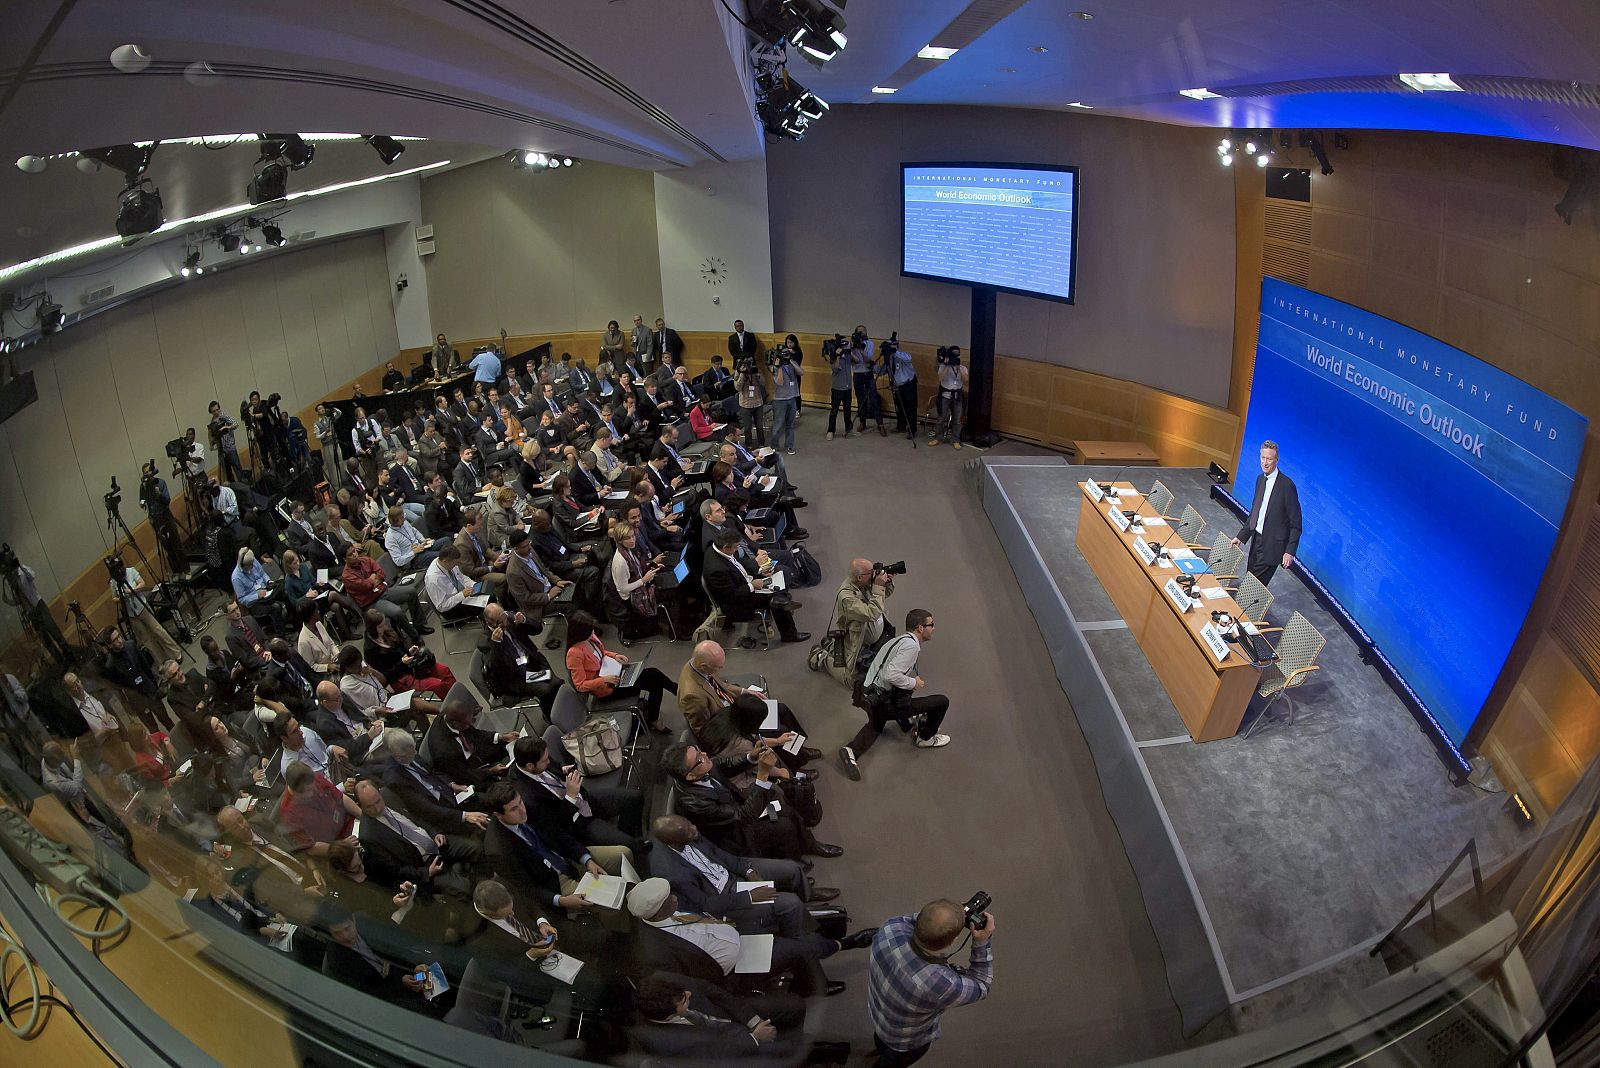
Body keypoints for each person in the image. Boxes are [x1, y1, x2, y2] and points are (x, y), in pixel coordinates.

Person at [658, 743, 840, 863]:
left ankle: (808, 845)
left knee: (784, 808)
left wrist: (751, 756)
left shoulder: (701, 768)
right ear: (689, 775)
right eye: (699, 758)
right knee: (785, 824)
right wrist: (762, 774)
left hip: (737, 810)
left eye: (699, 750)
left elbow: (725, 763)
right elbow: (744, 817)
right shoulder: (694, 802)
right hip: (733, 836)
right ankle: (795, 863)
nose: (705, 755)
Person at [867, 900, 996, 1067]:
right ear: (953, 941)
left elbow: (920, 921)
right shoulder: (940, 985)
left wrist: (951, 914)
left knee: (881, 1044)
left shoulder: (889, 928)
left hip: (878, 1015)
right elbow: (982, 985)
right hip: (905, 1043)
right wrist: (982, 942)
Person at [840, 609, 951, 780]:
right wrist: (915, 683)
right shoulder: (911, 646)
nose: (934, 628)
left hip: (869, 694)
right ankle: (925, 738)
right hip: (884, 700)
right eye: (931, 625)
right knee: (941, 702)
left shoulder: (900, 640)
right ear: (920, 628)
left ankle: (851, 751)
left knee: (876, 725)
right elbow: (891, 675)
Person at [510, 736, 645, 860]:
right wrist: (570, 796)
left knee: (634, 798)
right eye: (545, 761)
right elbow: (557, 826)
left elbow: (553, 767)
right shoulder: (527, 798)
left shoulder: (537, 758)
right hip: (576, 822)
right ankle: (635, 849)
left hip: (584, 800)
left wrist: (563, 771)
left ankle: (629, 834)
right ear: (529, 766)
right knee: (628, 845)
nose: (549, 761)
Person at [564, 611, 675, 731]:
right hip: (606, 688)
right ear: (580, 633)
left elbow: (600, 654)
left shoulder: (590, 637)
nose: (593, 632)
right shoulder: (574, 654)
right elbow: (580, 685)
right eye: (590, 630)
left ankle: (673, 693)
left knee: (653, 674)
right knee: (655, 683)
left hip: (613, 673)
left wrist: (615, 655)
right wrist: (603, 680)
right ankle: (661, 709)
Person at [704, 528, 810, 646]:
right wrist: (752, 586)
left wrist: (759, 571)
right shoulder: (716, 569)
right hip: (737, 604)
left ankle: (784, 601)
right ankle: (789, 633)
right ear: (725, 547)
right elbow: (731, 596)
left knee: (782, 572)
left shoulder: (719, 549)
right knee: (776, 599)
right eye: (736, 547)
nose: (738, 549)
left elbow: (738, 565)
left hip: (745, 581)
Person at [1231, 439, 1302, 586]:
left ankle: (1246, 607)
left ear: (1276, 460)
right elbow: (1255, 513)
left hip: (1272, 547)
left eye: (1269, 459)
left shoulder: (1286, 486)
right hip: (1256, 541)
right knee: (1250, 581)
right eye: (1263, 458)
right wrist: (1241, 536)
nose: (1265, 462)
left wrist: (1290, 551)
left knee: (1252, 586)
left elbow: (1296, 523)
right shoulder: (1260, 479)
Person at [480, 603, 560, 713]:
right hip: (517, 677)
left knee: (556, 681)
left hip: (531, 663)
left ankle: (557, 710)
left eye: (504, 616)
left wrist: (524, 620)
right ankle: (551, 715)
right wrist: (496, 644)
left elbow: (538, 629)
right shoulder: (485, 642)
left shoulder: (510, 618)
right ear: (491, 623)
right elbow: (496, 668)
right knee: (546, 688)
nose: (505, 621)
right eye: (500, 621)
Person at [106, 557, 185, 666]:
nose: (120, 570)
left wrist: (132, 590)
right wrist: (120, 598)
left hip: (142, 607)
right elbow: (113, 598)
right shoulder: (114, 582)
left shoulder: (131, 571)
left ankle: (176, 653)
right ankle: (162, 662)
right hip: (131, 614)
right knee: (147, 640)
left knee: (158, 630)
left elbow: (142, 583)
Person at [827, 558, 893, 688]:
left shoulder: (864, 583)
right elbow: (871, 613)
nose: (874, 573)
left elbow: (885, 595)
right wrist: (879, 586)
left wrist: (887, 583)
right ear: (859, 578)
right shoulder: (847, 597)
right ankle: (821, 658)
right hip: (858, 640)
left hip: (874, 635)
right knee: (852, 681)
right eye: (870, 572)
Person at [340, 544, 432, 637]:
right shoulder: (347, 576)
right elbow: (365, 586)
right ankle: (414, 636)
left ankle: (419, 625)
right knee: (397, 612)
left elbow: (382, 573)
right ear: (345, 559)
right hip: (371, 603)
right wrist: (373, 578)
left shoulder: (365, 560)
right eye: (350, 554)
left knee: (411, 592)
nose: (355, 555)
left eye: (354, 551)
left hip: (383, 591)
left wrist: (372, 581)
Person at [929, 346, 969, 448]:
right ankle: (938, 438)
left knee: (957, 420)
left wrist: (958, 367)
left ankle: (955, 439)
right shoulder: (943, 366)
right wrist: (947, 365)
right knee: (941, 418)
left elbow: (965, 380)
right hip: (945, 397)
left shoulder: (963, 368)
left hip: (957, 397)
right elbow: (940, 378)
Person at [849, 325, 885, 435]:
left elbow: (868, 359)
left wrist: (861, 348)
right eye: (859, 332)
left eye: (863, 332)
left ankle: (880, 424)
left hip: (868, 373)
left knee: (873, 398)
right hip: (857, 374)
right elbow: (852, 361)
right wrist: (852, 347)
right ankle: (862, 422)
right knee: (861, 400)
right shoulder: (852, 343)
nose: (862, 334)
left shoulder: (870, 343)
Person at [770, 343, 802, 456]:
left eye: (786, 353)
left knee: (790, 424)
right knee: (778, 424)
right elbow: (779, 382)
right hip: (780, 400)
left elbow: (801, 372)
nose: (786, 355)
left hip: (792, 398)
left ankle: (789, 445)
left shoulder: (792, 364)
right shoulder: (774, 366)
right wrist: (779, 366)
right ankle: (774, 446)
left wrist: (791, 360)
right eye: (783, 354)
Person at [890, 340, 919, 440]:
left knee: (910, 408)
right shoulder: (890, 358)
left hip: (908, 384)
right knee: (899, 406)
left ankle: (912, 429)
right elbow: (886, 369)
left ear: (897, 347)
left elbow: (908, 359)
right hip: (898, 385)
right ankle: (901, 426)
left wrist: (895, 351)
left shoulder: (904, 355)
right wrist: (872, 367)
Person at [825, 337, 852, 440]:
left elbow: (857, 361)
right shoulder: (833, 356)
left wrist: (850, 351)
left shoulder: (848, 356)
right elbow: (836, 368)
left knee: (848, 410)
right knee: (834, 410)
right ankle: (831, 430)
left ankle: (848, 429)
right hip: (837, 388)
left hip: (848, 387)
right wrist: (837, 355)